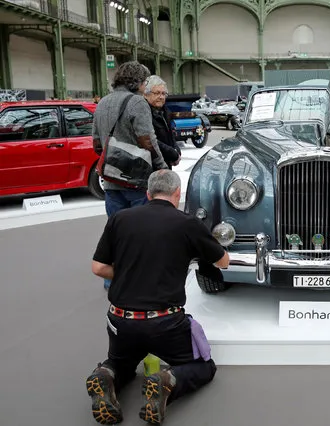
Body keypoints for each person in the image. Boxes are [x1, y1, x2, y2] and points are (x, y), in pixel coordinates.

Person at [86, 169, 230, 425]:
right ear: (177, 194)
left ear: (148, 193)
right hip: (165, 323)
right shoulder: (187, 223)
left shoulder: (120, 219)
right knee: (204, 367)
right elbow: (223, 261)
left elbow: (98, 267)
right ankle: (168, 381)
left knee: (122, 364)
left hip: (121, 320)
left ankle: (105, 374)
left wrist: (131, 273)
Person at [92, 61, 168, 290]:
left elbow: (96, 144)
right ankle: (144, 280)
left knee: (117, 230)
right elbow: (148, 140)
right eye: (145, 81)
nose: (146, 86)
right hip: (137, 180)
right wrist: (161, 167)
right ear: (137, 82)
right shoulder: (136, 102)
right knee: (144, 231)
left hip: (112, 181)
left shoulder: (102, 102)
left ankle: (112, 278)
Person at [144, 75, 181, 169]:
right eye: (157, 93)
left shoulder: (165, 112)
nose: (161, 97)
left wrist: (176, 149)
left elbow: (170, 136)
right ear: (146, 94)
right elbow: (149, 140)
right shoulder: (144, 113)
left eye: (163, 94)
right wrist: (172, 153)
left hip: (166, 164)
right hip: (152, 165)